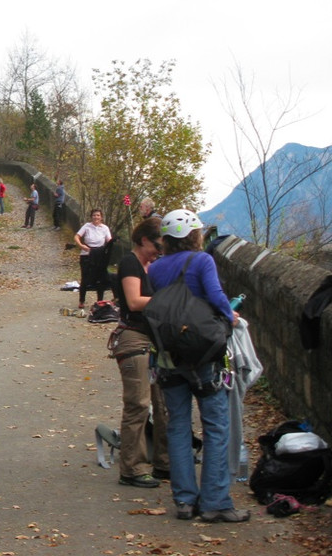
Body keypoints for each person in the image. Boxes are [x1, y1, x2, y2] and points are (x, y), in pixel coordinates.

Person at [148, 210, 248, 524]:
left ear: (166, 238)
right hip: (204, 354)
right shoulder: (202, 260)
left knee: (178, 426)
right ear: (194, 235)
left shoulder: (156, 267)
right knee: (216, 426)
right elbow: (216, 295)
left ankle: (185, 501)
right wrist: (230, 316)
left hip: (169, 356)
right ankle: (216, 502)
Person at [111, 217, 170, 488]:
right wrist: (172, 300)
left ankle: (164, 462)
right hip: (134, 339)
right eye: (157, 244)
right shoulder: (130, 263)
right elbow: (134, 302)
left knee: (164, 406)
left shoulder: (153, 266)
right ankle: (132, 468)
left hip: (156, 341)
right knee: (138, 404)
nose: (160, 250)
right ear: (144, 240)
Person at [74, 208, 113, 309]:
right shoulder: (87, 226)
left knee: (100, 278)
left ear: (101, 217)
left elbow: (109, 241)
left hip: (99, 254)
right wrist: (81, 246)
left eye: (98, 215)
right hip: (87, 253)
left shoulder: (105, 228)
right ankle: (82, 300)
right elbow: (77, 236)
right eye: (94, 215)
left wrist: (111, 245)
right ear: (91, 217)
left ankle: (100, 301)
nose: (96, 217)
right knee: (85, 278)